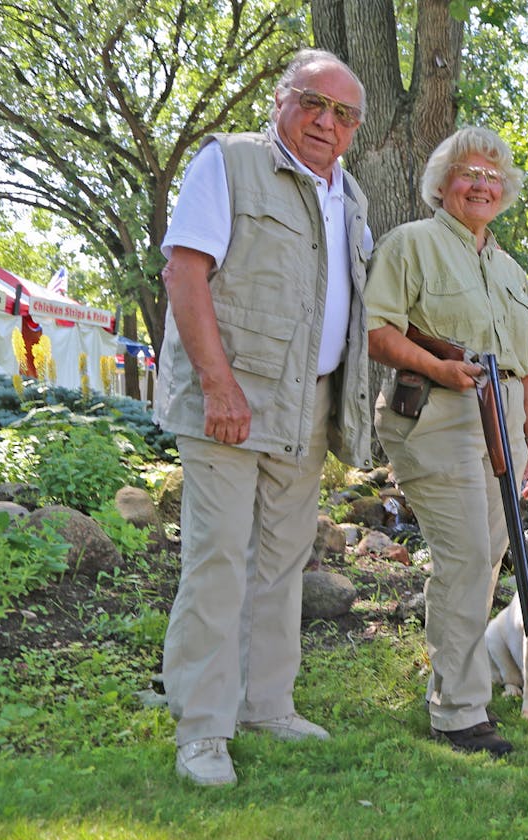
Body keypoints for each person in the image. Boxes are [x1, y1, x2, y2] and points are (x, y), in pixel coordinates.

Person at [155, 48, 374, 787]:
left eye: (343, 114)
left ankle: (266, 705)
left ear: (354, 130)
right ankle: (202, 730)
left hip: (303, 404)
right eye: (313, 103)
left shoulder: (352, 196)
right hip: (232, 397)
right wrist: (218, 387)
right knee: (217, 559)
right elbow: (185, 274)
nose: (326, 122)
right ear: (281, 102)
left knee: (282, 561)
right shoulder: (230, 163)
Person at [363, 126, 528, 757]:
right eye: (470, 173)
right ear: (442, 184)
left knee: (487, 559)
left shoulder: (515, 274)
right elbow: (378, 330)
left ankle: (462, 690)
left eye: (494, 178)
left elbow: (526, 370)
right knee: (468, 558)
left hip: (505, 435)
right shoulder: (410, 244)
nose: (482, 185)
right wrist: (442, 369)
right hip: (436, 421)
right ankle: (459, 712)